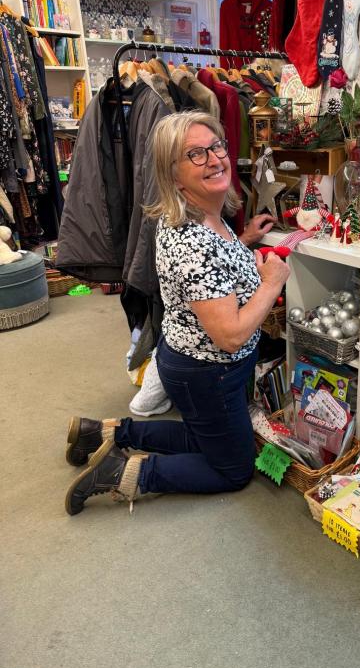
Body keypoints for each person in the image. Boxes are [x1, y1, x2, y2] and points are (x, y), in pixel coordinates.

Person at [64, 111, 290, 515]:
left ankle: (102, 433)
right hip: (208, 369)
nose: (215, 159)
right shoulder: (191, 239)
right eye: (196, 155)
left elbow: (209, 276)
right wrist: (271, 283)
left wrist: (243, 241)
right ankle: (123, 473)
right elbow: (230, 335)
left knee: (206, 437)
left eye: (217, 146)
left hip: (196, 364)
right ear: (173, 174)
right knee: (233, 469)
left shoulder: (202, 217)